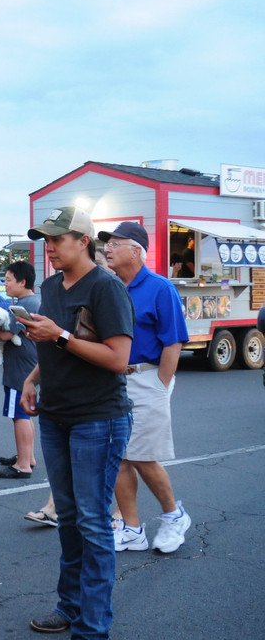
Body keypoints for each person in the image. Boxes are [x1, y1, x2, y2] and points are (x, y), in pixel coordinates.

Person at [17, 206, 134, 640]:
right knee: (68, 518)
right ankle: (69, 607)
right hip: (56, 415)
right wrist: (33, 378)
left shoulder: (106, 288)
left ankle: (91, 635)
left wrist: (60, 336)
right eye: (45, 239)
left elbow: (118, 358)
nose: (49, 247)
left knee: (92, 522)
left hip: (98, 419)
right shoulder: (50, 285)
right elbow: (52, 346)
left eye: (57, 239)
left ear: (82, 240)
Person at [99, 222, 192, 554]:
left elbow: (174, 341)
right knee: (120, 457)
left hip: (146, 377)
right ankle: (132, 528)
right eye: (106, 245)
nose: (107, 249)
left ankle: (173, 516)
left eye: (115, 244)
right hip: (115, 381)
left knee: (143, 457)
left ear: (136, 250)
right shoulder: (110, 286)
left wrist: (160, 384)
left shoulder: (159, 287)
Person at [0, 261, 40, 479]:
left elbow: (6, 334)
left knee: (18, 414)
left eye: (9, 280)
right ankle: (27, 457)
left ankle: (22, 465)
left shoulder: (22, 306)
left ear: (22, 282)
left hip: (19, 368)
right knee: (25, 414)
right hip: (30, 365)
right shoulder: (35, 301)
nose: (6, 284)